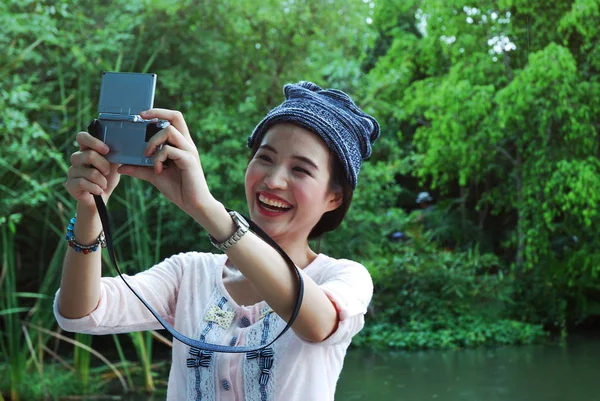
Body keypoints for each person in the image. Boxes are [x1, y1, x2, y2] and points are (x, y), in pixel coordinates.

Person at [54, 81, 380, 400]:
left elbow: (317, 323)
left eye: (301, 170)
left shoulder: (343, 278)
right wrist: (90, 209)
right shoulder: (189, 274)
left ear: (334, 197)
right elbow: (80, 313)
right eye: (265, 158)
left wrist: (204, 207)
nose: (274, 180)